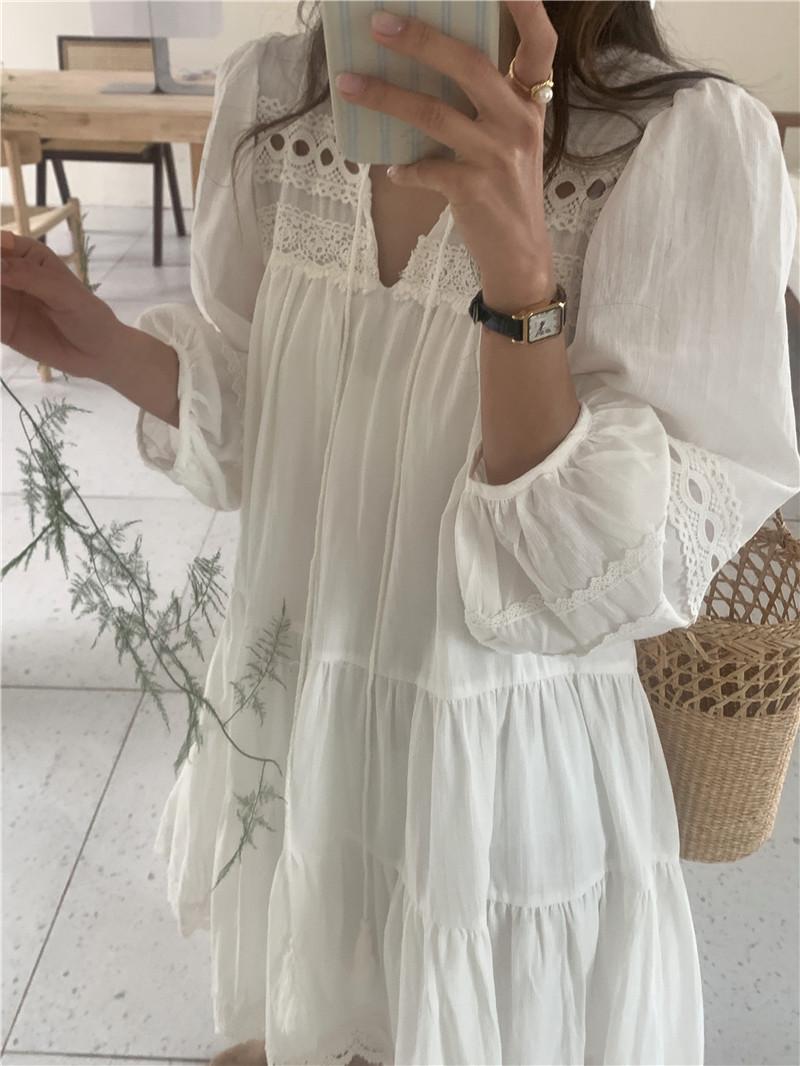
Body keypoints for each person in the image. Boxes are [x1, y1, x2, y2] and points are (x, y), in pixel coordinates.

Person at [3, 1, 799, 1063]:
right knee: (308, 1010)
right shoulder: (278, 97)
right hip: (295, 712)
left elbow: (583, 580)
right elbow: (257, 418)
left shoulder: (678, 145)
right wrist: (104, 347)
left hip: (492, 768)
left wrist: (520, 281)